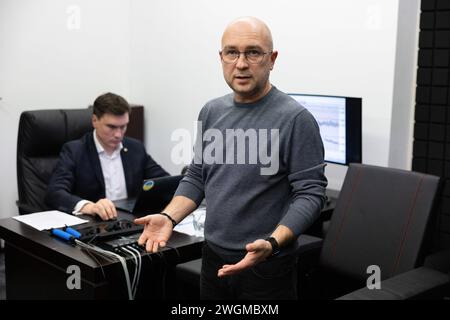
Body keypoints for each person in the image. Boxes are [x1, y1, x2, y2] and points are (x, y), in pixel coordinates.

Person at [135, 17, 327, 299]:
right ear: (221, 57)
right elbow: (197, 176)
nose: (241, 63)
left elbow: (311, 193)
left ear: (272, 59)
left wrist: (272, 243)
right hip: (212, 257)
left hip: (267, 265)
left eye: (253, 52)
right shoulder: (211, 111)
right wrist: (168, 217)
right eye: (232, 52)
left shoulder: (296, 119)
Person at [46, 92, 169, 220]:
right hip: (94, 224)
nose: (118, 134)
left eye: (123, 127)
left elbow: (164, 181)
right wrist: (90, 207)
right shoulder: (75, 151)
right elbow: (55, 193)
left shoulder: (135, 148)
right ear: (95, 120)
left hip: (129, 221)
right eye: (111, 127)